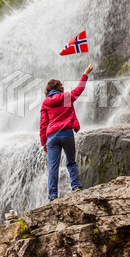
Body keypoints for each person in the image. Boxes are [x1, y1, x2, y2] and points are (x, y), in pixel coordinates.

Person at [40, 64, 93, 201]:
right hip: (66, 133)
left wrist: (43, 142)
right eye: (61, 85)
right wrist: (85, 73)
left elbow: (43, 124)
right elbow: (80, 89)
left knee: (53, 167)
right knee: (71, 162)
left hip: (52, 136)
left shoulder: (46, 103)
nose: (63, 87)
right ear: (58, 87)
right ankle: (75, 186)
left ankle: (53, 196)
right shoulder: (67, 97)